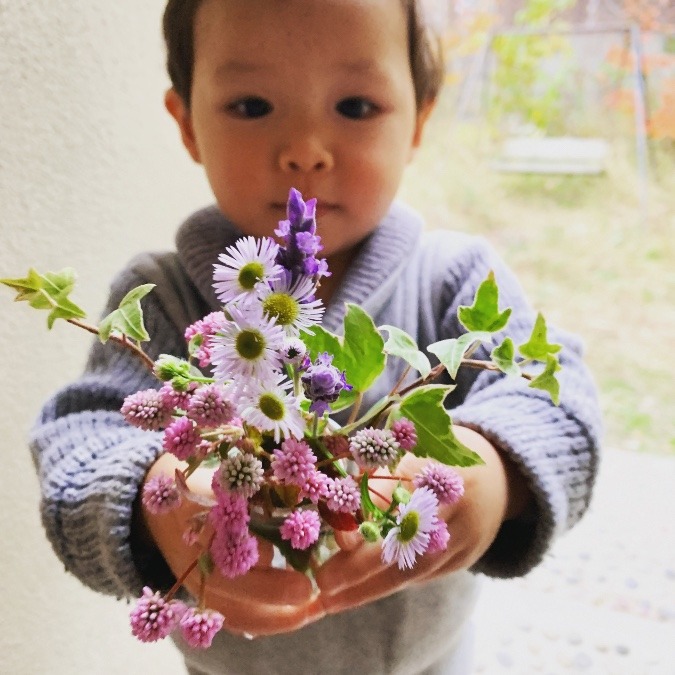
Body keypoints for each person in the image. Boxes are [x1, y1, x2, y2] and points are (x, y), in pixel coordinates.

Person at [30, 0, 602, 673]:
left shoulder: (455, 281)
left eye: (355, 106)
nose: (304, 150)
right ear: (186, 123)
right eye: (250, 105)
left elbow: (554, 390)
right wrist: (153, 497)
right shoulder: (163, 298)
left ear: (418, 116)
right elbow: (81, 440)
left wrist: (493, 470)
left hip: (430, 661)